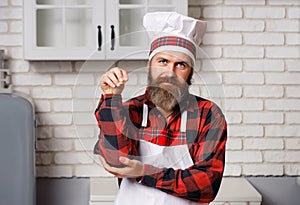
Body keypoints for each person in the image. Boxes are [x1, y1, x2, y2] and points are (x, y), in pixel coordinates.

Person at [94, 12, 227, 205]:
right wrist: (111, 98)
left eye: (180, 65)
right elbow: (117, 161)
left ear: (190, 72)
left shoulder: (208, 114)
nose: (169, 73)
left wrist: (143, 172)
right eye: (162, 61)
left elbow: (206, 185)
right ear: (150, 66)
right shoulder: (131, 111)